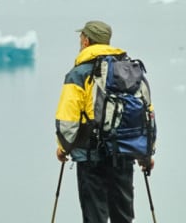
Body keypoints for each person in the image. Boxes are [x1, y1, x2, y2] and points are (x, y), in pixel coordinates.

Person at [54, 20, 155, 223]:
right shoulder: (131, 71)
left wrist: (63, 148)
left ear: (86, 41)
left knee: (95, 217)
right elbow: (148, 115)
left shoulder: (79, 74)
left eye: (81, 37)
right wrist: (146, 154)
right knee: (123, 216)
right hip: (124, 152)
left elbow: (67, 120)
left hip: (90, 156)